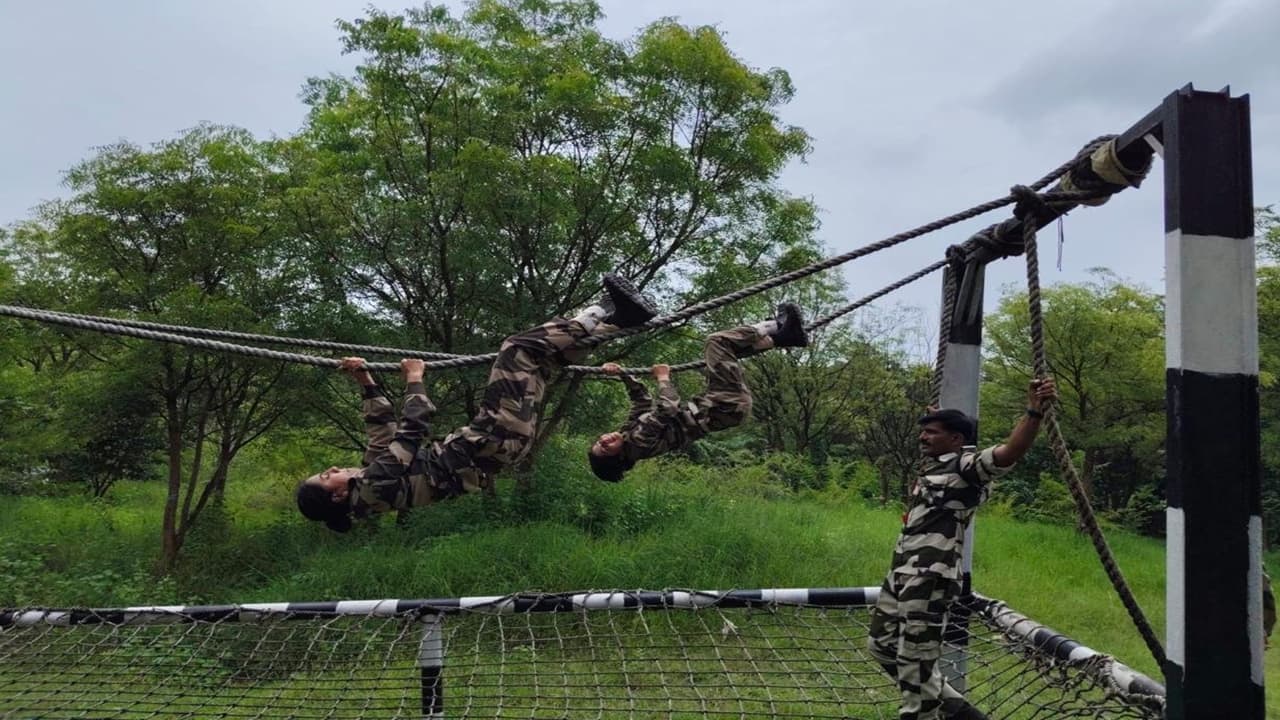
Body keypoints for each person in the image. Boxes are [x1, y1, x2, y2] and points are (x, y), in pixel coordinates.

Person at [295, 274, 658, 532]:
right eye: (328, 478)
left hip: (500, 444)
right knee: (517, 347)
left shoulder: (372, 484)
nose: (331, 469)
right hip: (493, 438)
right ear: (339, 496)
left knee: (541, 362)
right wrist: (415, 378)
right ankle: (603, 312)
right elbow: (411, 429)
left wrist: (365, 379)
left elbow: (380, 432)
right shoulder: (375, 485)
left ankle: (615, 320)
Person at [868, 378, 1058, 720]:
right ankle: (962, 713)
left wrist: (1033, 413)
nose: (923, 437)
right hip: (901, 573)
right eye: (924, 432)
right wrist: (937, 418)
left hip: (929, 576)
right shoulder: (937, 464)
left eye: (933, 432)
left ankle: (921, 714)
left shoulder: (966, 466)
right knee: (880, 645)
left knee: (915, 657)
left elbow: (1008, 453)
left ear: (956, 439)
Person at [586, 302, 809, 483]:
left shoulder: (628, 436)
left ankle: (783, 337)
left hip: (718, 402)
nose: (605, 439)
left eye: (599, 441)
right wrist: (663, 378)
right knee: (717, 341)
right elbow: (668, 408)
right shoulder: (638, 443)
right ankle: (774, 327)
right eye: (605, 448)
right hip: (724, 404)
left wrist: (623, 375)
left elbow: (641, 402)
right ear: (617, 457)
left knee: (726, 351)